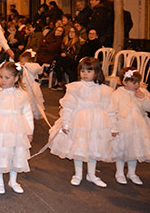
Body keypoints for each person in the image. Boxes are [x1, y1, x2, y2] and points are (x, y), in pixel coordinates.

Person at [48, 57, 115, 188]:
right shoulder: (75, 88)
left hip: (97, 123)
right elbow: (68, 106)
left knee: (93, 148)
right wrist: (66, 123)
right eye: (82, 71)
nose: (85, 74)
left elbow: (110, 109)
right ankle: (78, 174)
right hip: (79, 122)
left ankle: (92, 174)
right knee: (79, 148)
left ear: (97, 72)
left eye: (89, 71)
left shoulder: (103, 90)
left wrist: (113, 126)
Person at [0, 62, 33, 194]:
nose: (2, 80)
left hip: (17, 129)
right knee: (0, 154)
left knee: (16, 153)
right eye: (1, 77)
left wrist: (30, 131)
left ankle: (13, 180)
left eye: (7, 77)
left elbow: (27, 113)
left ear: (16, 78)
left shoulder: (22, 95)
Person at [111, 68, 150, 185]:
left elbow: (148, 108)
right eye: (134, 82)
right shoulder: (117, 94)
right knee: (121, 149)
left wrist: (143, 98)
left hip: (139, 126)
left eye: (138, 82)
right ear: (124, 82)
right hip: (123, 125)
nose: (137, 85)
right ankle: (119, 172)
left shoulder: (143, 92)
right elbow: (112, 110)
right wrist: (113, 127)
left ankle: (132, 173)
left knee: (135, 149)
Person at [19, 50, 45, 120]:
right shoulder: (22, 67)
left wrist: (26, 65)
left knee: (32, 102)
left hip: (31, 88)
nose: (22, 63)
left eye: (23, 61)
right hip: (23, 87)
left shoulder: (34, 66)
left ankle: (30, 116)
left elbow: (37, 70)